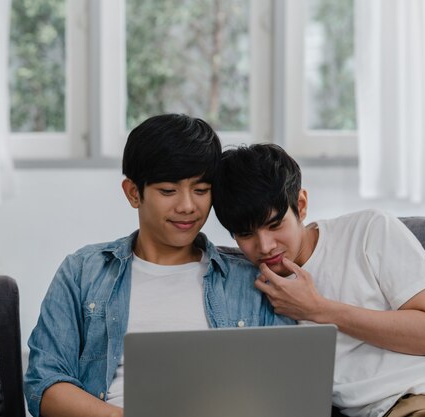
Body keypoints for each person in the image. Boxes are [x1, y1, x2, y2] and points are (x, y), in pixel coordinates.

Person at [24, 115, 291, 417]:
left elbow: (287, 386)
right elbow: (43, 384)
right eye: (168, 191)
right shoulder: (83, 271)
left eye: (201, 190)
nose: (188, 206)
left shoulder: (247, 277)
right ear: (133, 193)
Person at [211, 143, 425, 417]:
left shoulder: (368, 230)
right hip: (412, 408)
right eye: (246, 235)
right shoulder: (245, 296)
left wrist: (317, 309)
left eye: (275, 225)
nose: (265, 246)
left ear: (301, 204)